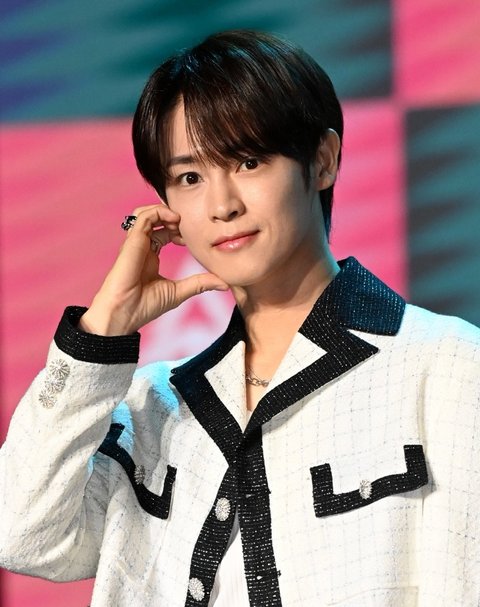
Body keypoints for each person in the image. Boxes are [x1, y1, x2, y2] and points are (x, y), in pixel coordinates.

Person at [0, 29, 479, 607]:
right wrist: (101, 336)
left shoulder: (446, 366)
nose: (222, 205)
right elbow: (22, 534)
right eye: (190, 178)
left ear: (322, 161)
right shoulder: (156, 406)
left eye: (248, 161)